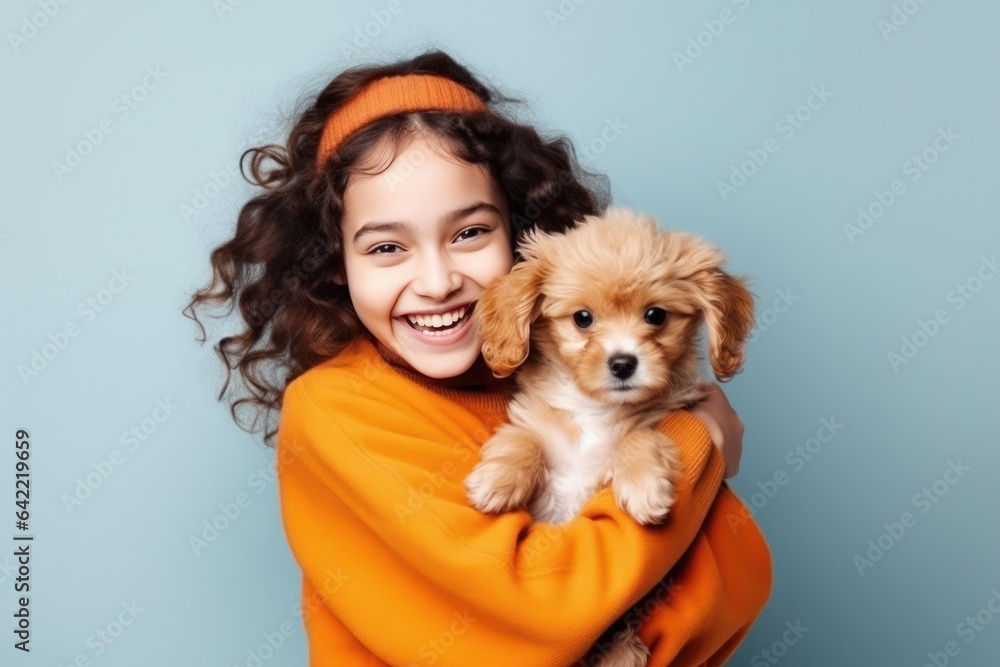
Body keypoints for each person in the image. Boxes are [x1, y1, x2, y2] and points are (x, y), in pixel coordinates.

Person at [185, 49, 771, 666]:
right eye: (387, 247)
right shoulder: (338, 409)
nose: (437, 282)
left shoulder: (558, 374)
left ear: (520, 234)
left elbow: (738, 581)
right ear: (335, 265)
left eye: (469, 233)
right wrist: (694, 437)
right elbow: (549, 618)